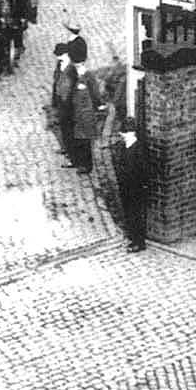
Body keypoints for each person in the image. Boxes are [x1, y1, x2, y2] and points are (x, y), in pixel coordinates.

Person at [62, 38, 105, 172]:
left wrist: (99, 105)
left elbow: (95, 93)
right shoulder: (70, 71)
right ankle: (76, 160)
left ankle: (86, 165)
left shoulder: (88, 76)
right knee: (74, 137)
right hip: (72, 110)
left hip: (84, 112)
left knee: (84, 140)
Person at [110, 116, 149, 252]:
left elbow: (142, 171)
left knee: (136, 214)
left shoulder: (138, 149)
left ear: (130, 133)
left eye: (124, 133)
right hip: (125, 187)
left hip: (135, 189)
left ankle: (139, 242)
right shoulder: (124, 147)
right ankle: (132, 237)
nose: (121, 136)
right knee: (128, 212)